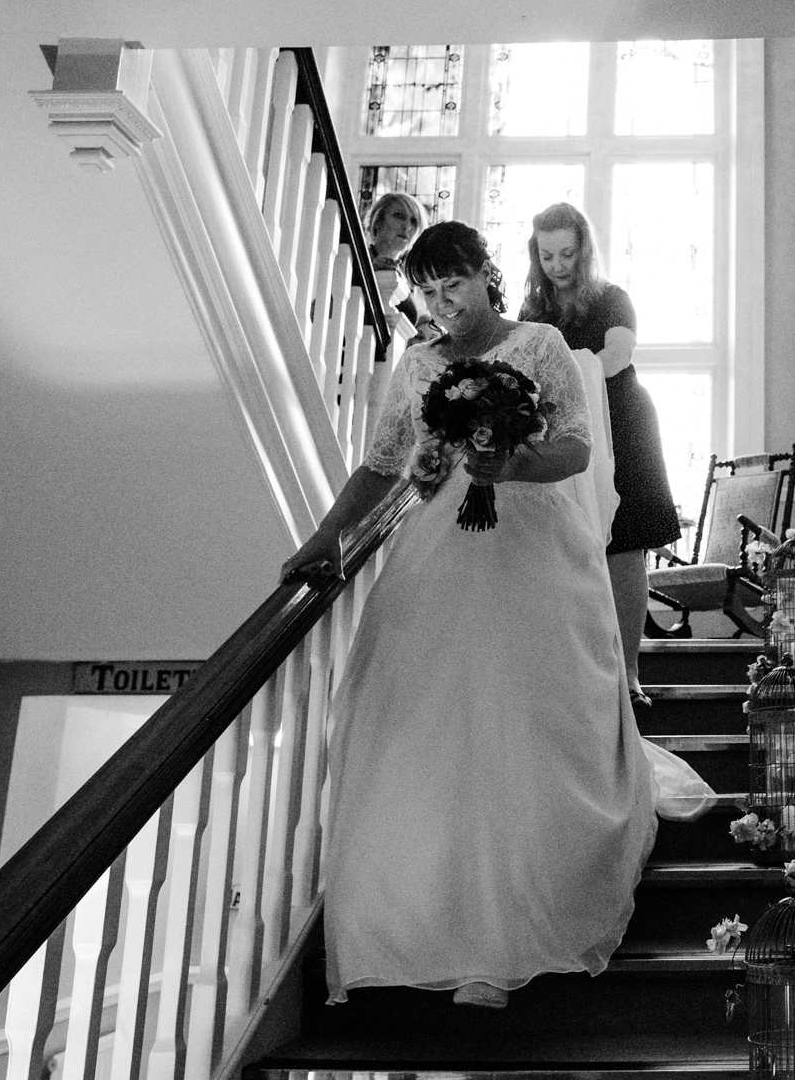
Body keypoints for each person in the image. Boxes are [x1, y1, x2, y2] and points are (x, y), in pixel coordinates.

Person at [282, 221, 708, 1009]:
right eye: (430, 293)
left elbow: (576, 448)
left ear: (486, 275)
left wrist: (510, 460)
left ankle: (518, 919)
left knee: (523, 716)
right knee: (432, 721)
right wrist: (321, 539)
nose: (445, 306)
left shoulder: (541, 344)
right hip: (440, 551)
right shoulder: (416, 365)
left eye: (457, 286)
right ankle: (431, 918)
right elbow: (381, 468)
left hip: (534, 544)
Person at [518, 203, 683, 703]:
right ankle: (574, 669)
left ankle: (629, 672)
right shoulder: (534, 312)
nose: (558, 265)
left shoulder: (612, 299)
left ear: (584, 250)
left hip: (623, 420)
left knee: (625, 544)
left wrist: (568, 375)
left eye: (567, 253)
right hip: (564, 429)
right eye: (547, 255)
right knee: (562, 541)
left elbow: (617, 356)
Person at [363, 190, 427, 336]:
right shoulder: (357, 260)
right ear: (378, 221)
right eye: (399, 216)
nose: (407, 226)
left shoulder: (412, 281)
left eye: (413, 221)